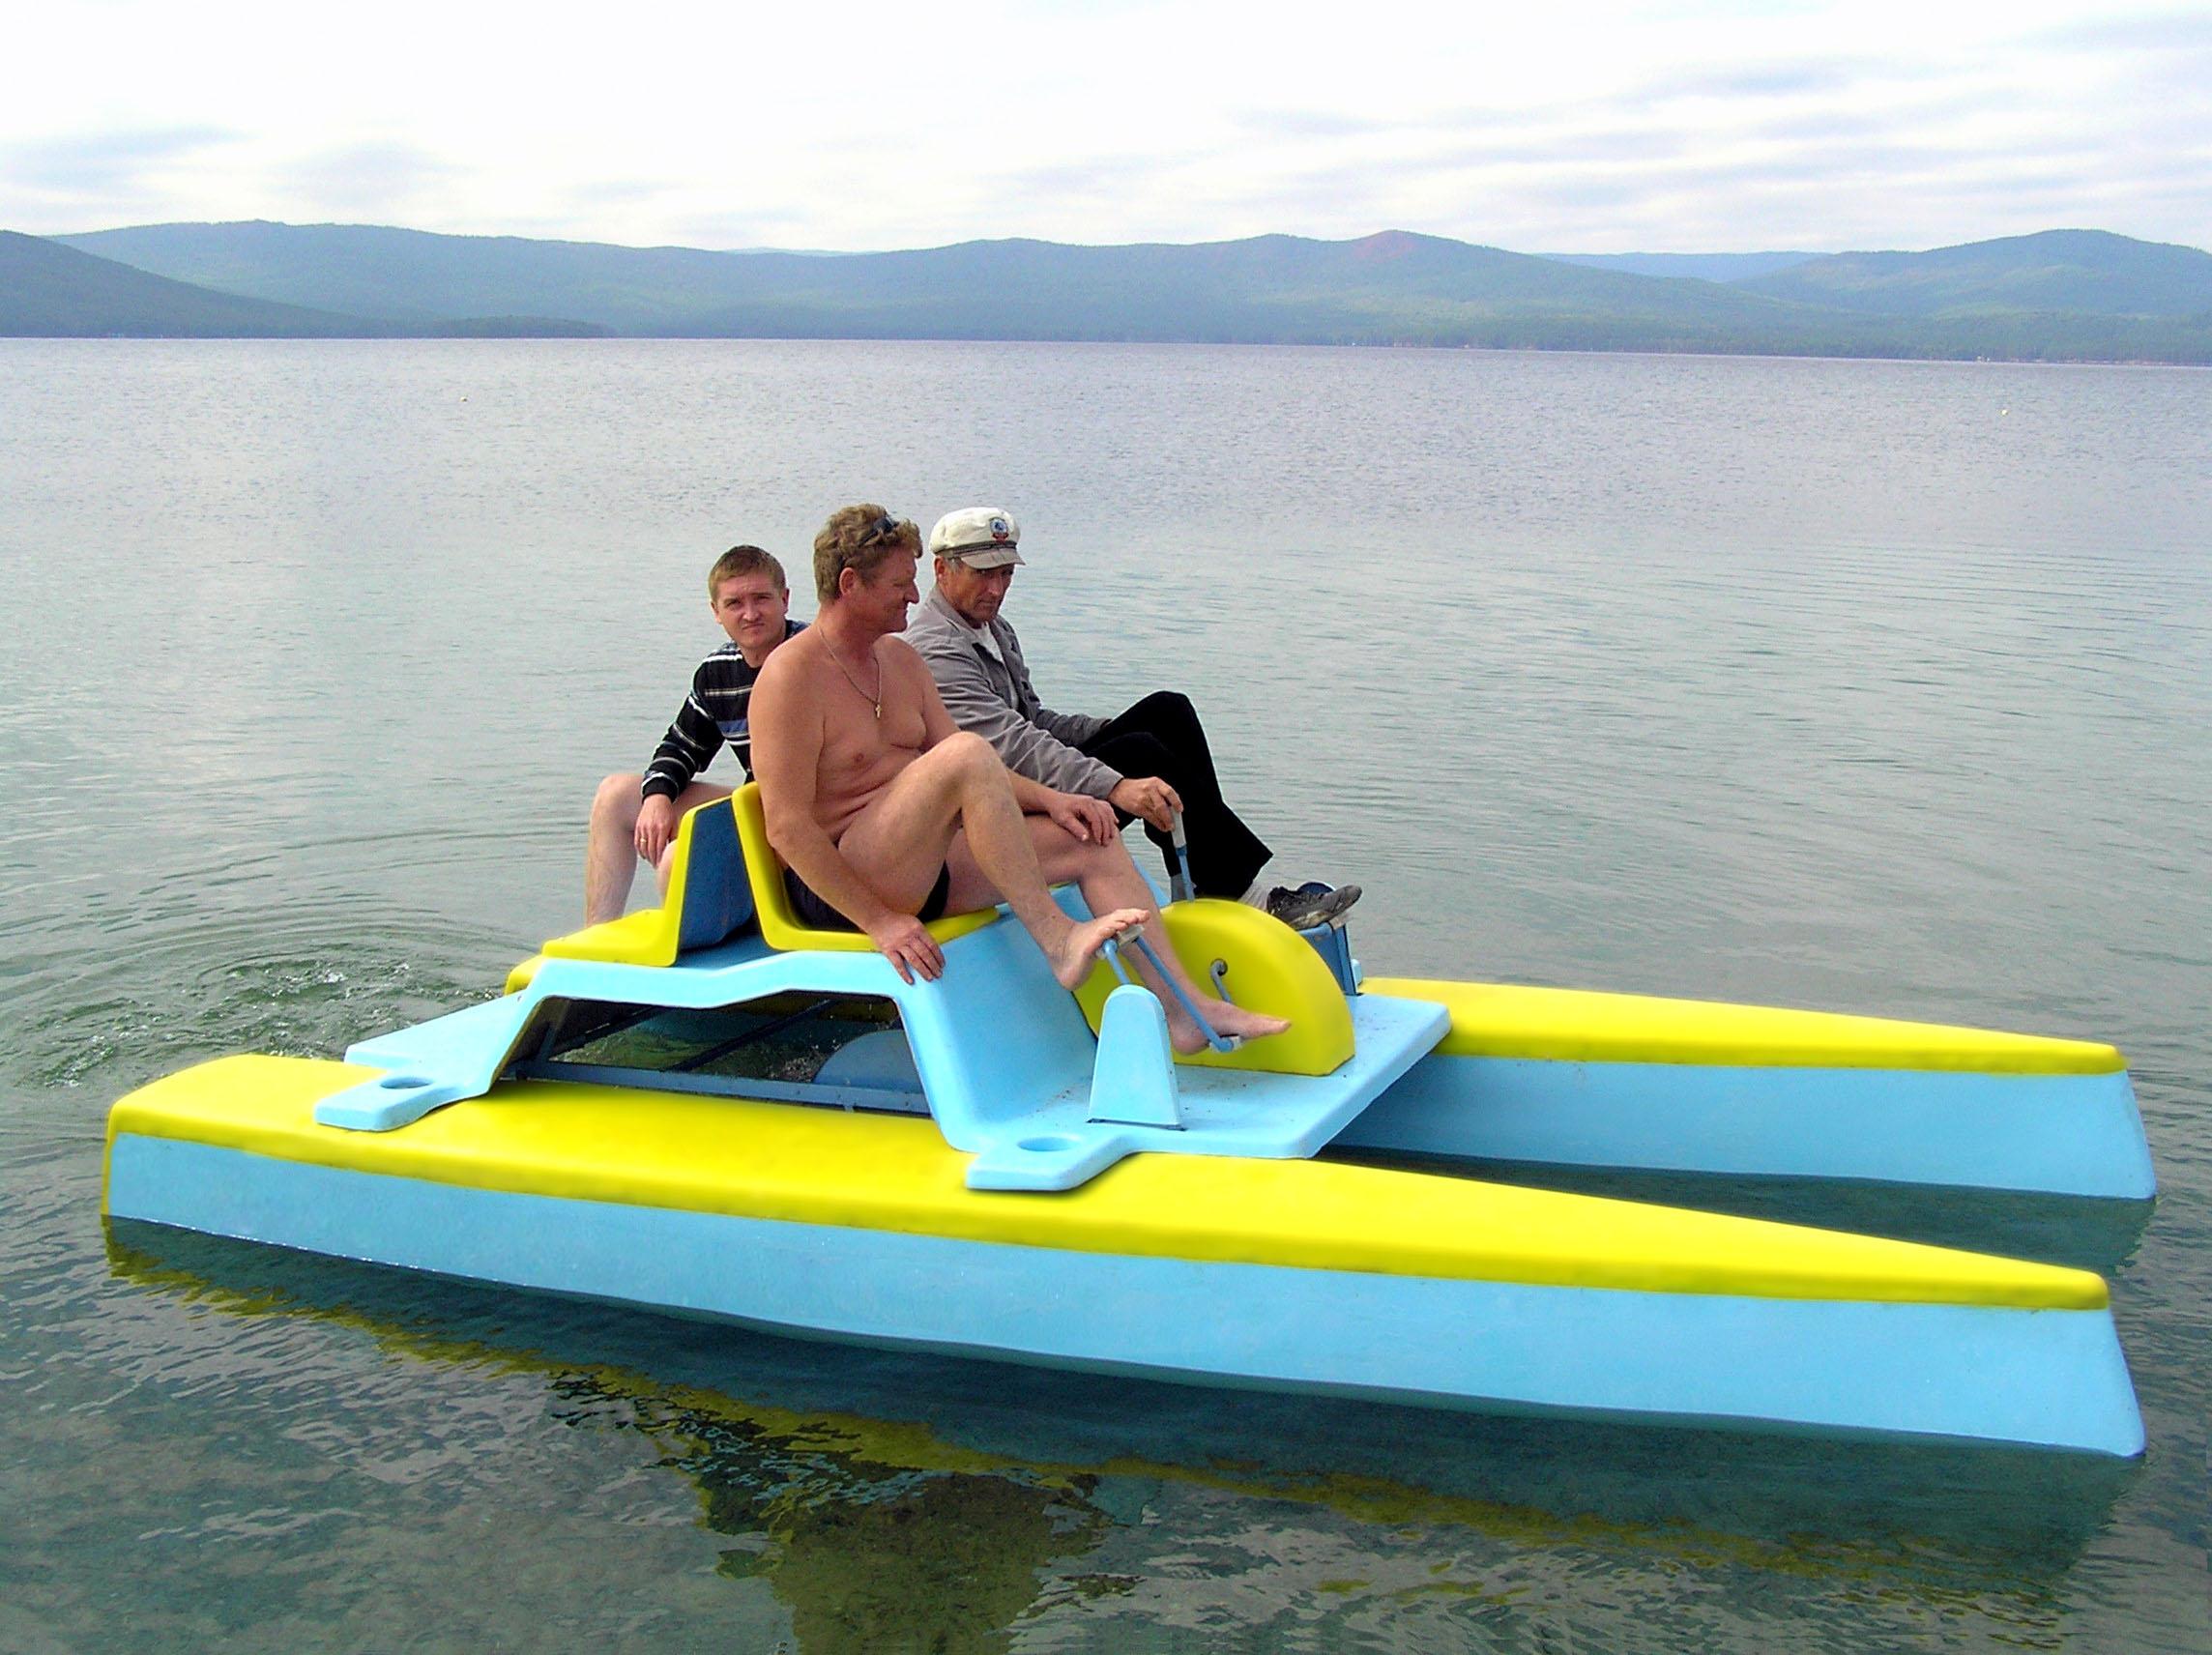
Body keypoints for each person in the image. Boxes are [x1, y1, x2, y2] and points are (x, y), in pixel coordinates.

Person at [747, 504, 1291, 1055]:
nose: (913, 596)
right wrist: (881, 922)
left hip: (923, 866)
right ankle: (1058, 941)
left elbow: (982, 768)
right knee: (965, 751)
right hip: (846, 888)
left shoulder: (901, 661)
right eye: (899, 584)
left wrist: (1056, 801)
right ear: (849, 584)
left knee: (1091, 835)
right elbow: (787, 829)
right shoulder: (791, 677)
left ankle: (1187, 1012)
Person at [903, 507, 1359, 929]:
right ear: (942, 570)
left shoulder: (991, 627)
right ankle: (1243, 895)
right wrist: (1115, 784)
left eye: (1005, 574)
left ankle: (1211, 881)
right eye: (984, 574)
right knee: (1140, 754)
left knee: (1167, 712)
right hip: (992, 810)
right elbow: (1013, 749)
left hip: (1025, 780)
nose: (997, 590)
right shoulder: (937, 650)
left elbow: (1033, 719)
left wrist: (1112, 728)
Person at [583, 544, 802, 923]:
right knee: (615, 795)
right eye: (735, 603)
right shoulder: (717, 672)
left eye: (761, 599)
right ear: (716, 612)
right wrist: (657, 796)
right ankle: (595, 937)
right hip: (756, 803)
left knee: (677, 858)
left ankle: (701, 942)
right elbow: (681, 746)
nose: (750, 614)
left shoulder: (813, 656)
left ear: (784, 599)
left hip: (807, 815)